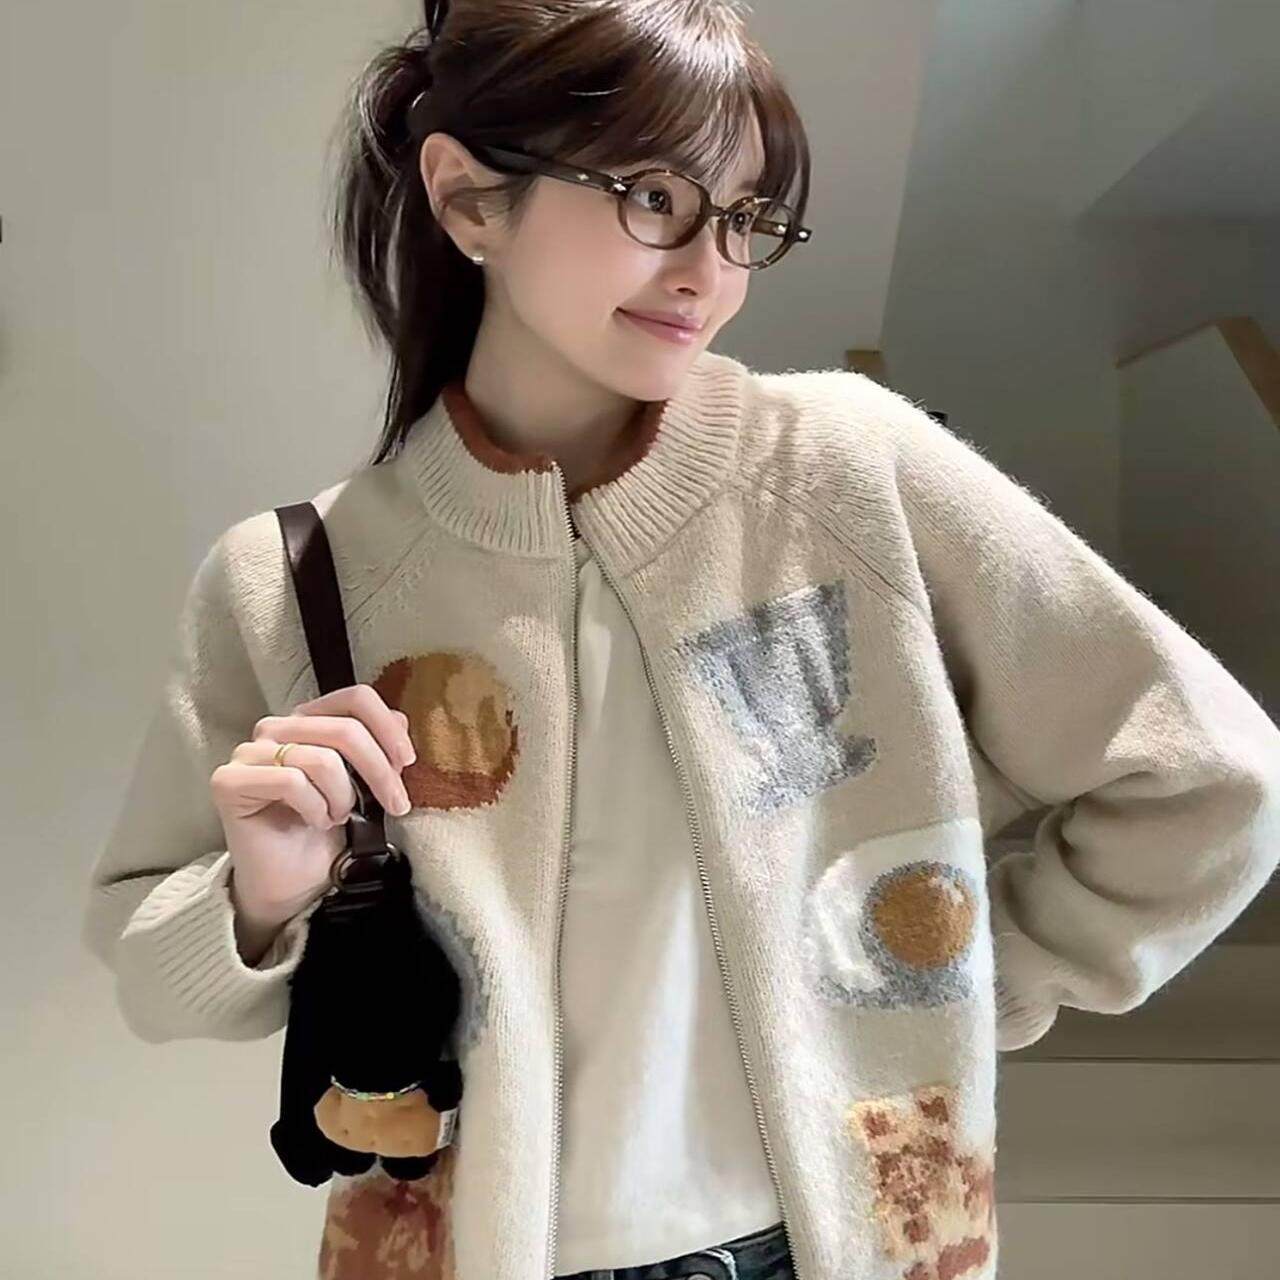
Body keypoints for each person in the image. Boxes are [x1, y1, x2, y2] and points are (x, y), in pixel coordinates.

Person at [81, 3, 1280, 1279]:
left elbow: (1207, 778)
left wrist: (961, 984)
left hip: (841, 1244)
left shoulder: (846, 469)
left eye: (745, 216)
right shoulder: (289, 578)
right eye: (653, 196)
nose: (711, 266)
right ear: (469, 197)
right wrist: (262, 893)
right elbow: (151, 969)